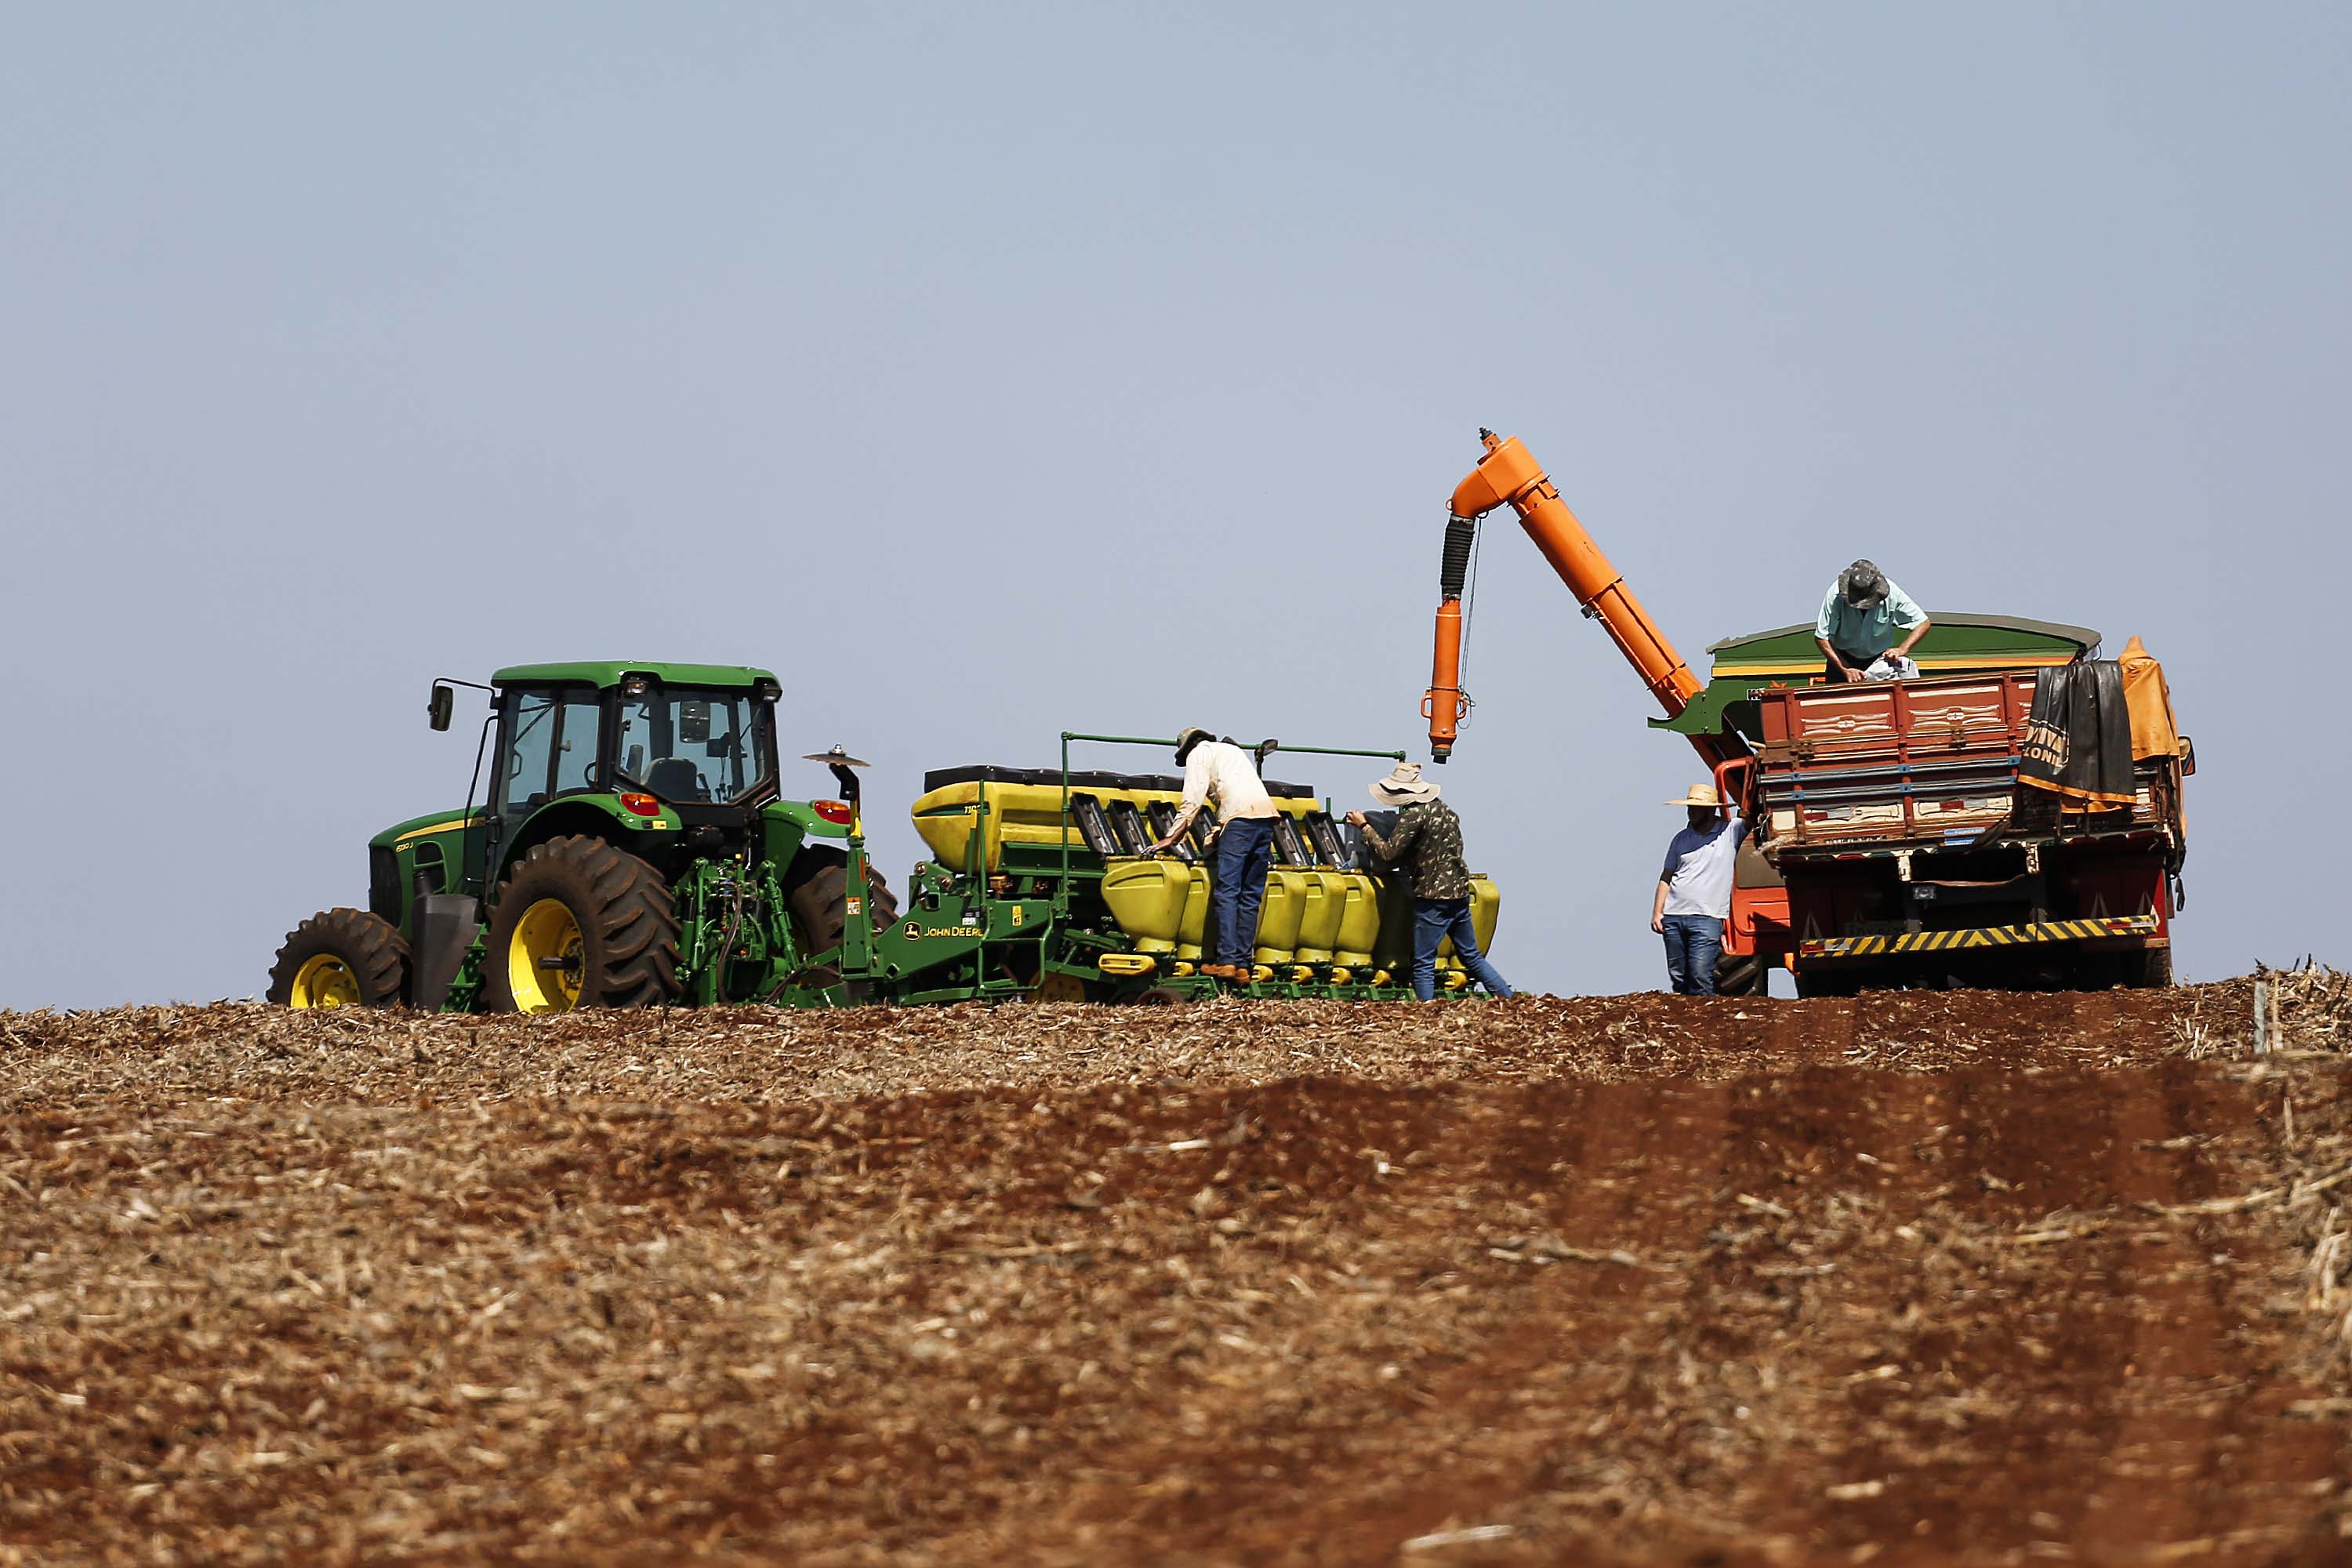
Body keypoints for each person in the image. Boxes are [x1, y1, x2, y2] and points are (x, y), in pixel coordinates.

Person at [1346, 764, 1514, 1002]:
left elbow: (1387, 853)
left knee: (1423, 960)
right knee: (1471, 955)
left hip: (1433, 896)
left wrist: (1364, 826)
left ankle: (1427, 1009)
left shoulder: (1413, 816)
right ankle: (1508, 999)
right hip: (1459, 892)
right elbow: (1436, 848)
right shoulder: (1446, 811)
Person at [1145, 726, 1279, 981]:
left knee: (1228, 891)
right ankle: (1242, 965)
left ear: (1189, 748)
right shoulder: (1233, 752)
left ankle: (1226, 961)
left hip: (1239, 822)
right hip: (1266, 820)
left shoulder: (1198, 753)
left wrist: (1171, 837)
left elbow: (1192, 800)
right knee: (1250, 895)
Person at [1652, 782, 1745, 995]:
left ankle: (1706, 1022)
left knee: (1700, 975)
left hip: (1706, 916)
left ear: (1711, 810)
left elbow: (1751, 815)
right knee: (1679, 977)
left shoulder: (1730, 831)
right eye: (1690, 808)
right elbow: (1667, 876)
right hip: (1674, 915)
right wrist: (1658, 912)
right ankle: (1684, 1021)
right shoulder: (1680, 838)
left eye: (1696, 808)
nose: (1691, 812)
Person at [1815, 559, 1930, 683]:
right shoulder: (1835, 595)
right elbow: (1821, 637)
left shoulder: (1893, 593)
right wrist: (1845, 668)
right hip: (1841, 659)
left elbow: (1923, 623)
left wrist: (1902, 649)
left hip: (1879, 662)